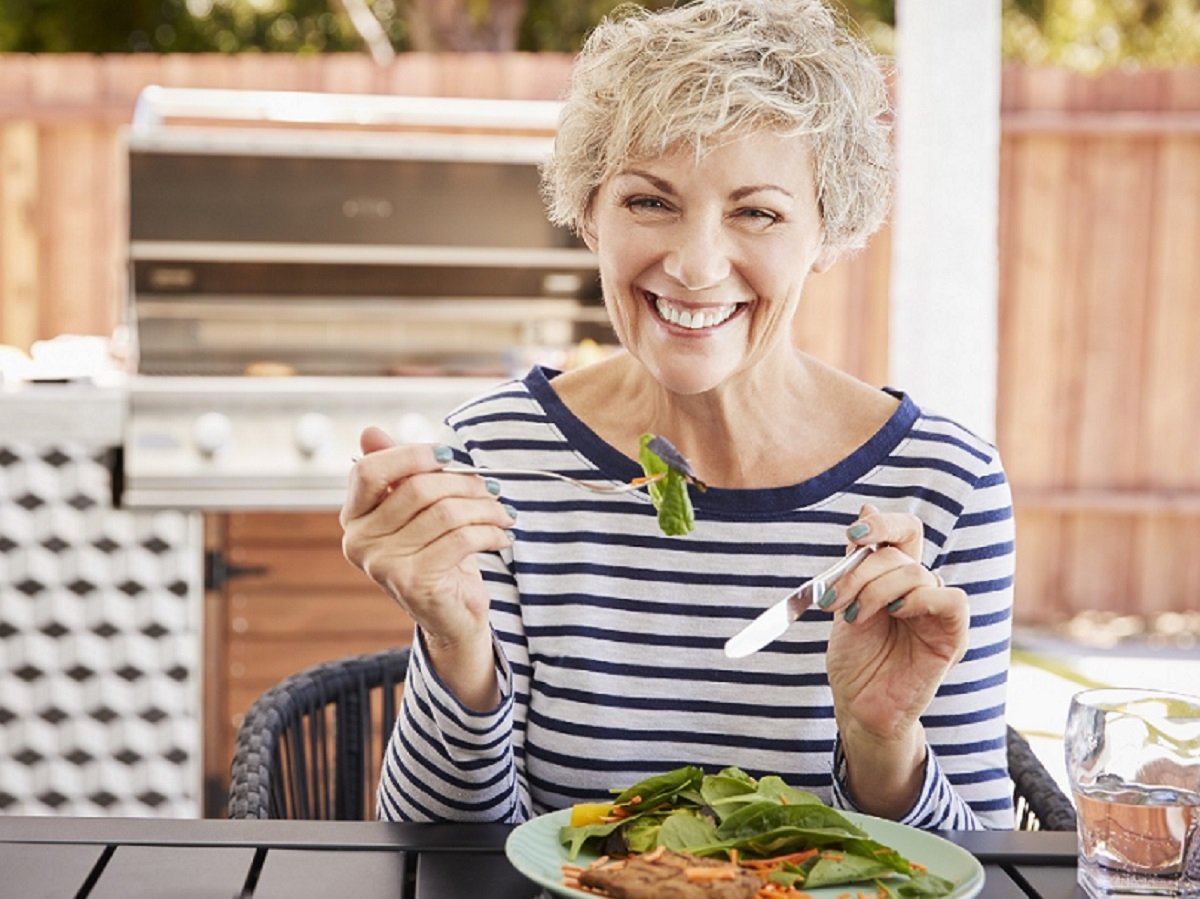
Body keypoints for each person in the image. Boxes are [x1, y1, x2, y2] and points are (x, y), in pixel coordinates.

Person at [341, 0, 1015, 831]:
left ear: (829, 228)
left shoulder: (945, 484)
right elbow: (438, 855)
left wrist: (883, 747)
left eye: (757, 211)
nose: (695, 266)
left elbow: (986, 873)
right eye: (650, 202)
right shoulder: (495, 453)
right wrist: (456, 648)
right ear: (589, 213)